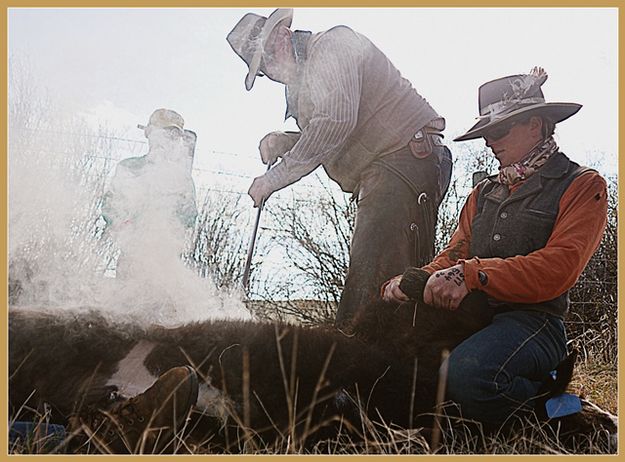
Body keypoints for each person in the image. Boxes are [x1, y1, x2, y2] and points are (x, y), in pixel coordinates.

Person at [382, 67, 608, 426]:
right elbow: (456, 254)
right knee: (404, 364)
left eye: (499, 130)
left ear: (535, 125)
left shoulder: (582, 185)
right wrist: (413, 279)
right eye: (486, 133)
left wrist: (473, 274)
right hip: (474, 317)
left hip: (535, 323)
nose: (489, 141)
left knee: (467, 376)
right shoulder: (483, 193)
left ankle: (568, 415)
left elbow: (558, 268)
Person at [226, 8, 453, 325]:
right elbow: (330, 133)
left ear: (282, 34)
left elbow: (335, 121)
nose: (270, 71)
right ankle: (375, 362)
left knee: (372, 280)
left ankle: (362, 365)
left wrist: (274, 178)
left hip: (405, 158)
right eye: (262, 69)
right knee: (381, 283)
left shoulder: (333, 45)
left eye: (265, 60)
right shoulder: (303, 80)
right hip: (387, 166)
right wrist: (286, 141)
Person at [102, 109, 198, 279]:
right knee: (124, 301)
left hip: (166, 263)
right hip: (131, 259)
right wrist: (126, 226)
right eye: (164, 133)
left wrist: (167, 235)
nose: (168, 140)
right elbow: (110, 205)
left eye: (173, 136)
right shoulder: (129, 167)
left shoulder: (182, 179)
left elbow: (188, 216)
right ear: (149, 134)